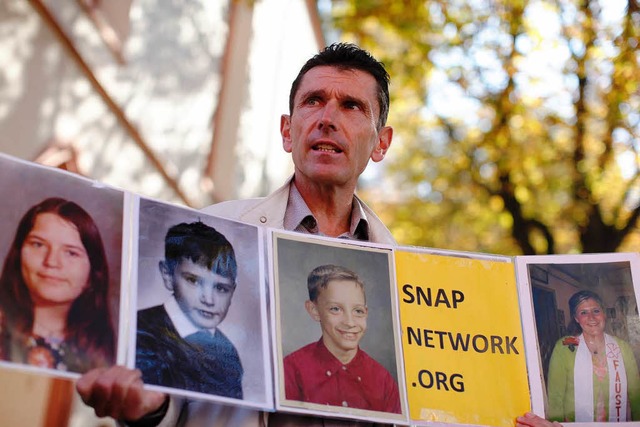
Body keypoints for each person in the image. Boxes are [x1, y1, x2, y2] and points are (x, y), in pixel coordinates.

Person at [76, 43, 550, 427]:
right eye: (313, 101)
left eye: (351, 106)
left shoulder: (416, 282)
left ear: (380, 143)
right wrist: (147, 410)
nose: (328, 117)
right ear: (288, 130)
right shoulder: (215, 232)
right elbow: (177, 392)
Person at [0, 197, 115, 373]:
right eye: (38, 244)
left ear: (93, 274)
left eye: (71, 253)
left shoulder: (103, 354)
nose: (52, 262)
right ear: (18, 254)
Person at [135, 221, 243, 399]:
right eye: (193, 281)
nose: (208, 300)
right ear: (168, 275)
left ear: (233, 291)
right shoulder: (141, 333)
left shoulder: (228, 353)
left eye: (221, 288)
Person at [284, 264, 401, 414]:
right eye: (335, 309)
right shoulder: (291, 370)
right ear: (314, 310)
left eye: (358, 311)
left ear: (366, 313)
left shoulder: (382, 380)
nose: (350, 322)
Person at [544, 289, 640, 421]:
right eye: (584, 312)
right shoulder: (564, 348)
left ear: (604, 314)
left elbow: (635, 394)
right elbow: (555, 398)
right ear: (577, 319)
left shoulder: (622, 347)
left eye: (596, 311)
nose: (591, 317)